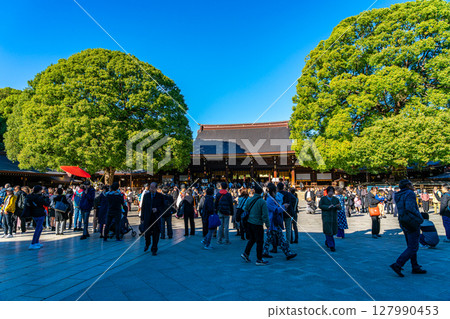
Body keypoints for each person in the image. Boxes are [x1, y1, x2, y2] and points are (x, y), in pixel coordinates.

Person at [390, 180, 426, 277]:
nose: (413, 186)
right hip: (411, 221)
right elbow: (410, 208)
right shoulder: (409, 193)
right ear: (407, 185)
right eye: (411, 184)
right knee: (413, 246)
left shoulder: (398, 194)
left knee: (411, 245)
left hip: (403, 220)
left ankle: (415, 266)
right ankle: (398, 264)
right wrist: (420, 218)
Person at [262, 183, 297, 260]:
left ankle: (265, 252)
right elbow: (276, 210)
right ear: (272, 192)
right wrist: (284, 206)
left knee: (271, 238)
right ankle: (288, 253)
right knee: (280, 238)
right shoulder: (269, 200)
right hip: (273, 222)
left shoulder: (272, 199)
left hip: (274, 222)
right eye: (275, 191)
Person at [241, 184, 270, 265]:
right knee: (260, 241)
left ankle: (246, 253)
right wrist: (268, 225)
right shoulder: (262, 202)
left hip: (250, 222)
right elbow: (265, 215)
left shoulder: (250, 199)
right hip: (258, 223)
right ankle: (259, 259)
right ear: (261, 192)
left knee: (252, 239)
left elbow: (245, 209)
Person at [140, 182, 164, 255]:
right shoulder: (146, 196)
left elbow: (163, 206)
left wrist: (157, 209)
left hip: (156, 218)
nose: (151, 189)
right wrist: (142, 217)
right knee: (147, 233)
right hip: (147, 218)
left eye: (153, 188)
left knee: (156, 234)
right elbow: (143, 207)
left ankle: (154, 249)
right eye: (151, 187)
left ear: (156, 188)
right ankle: (147, 243)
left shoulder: (160, 196)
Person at [319, 186, 341, 251]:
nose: (331, 193)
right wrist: (327, 207)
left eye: (332, 192)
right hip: (326, 216)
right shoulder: (323, 199)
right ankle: (332, 245)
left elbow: (340, 207)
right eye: (329, 191)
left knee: (333, 231)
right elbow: (320, 206)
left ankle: (327, 241)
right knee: (328, 230)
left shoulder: (335, 199)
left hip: (334, 217)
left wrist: (337, 206)